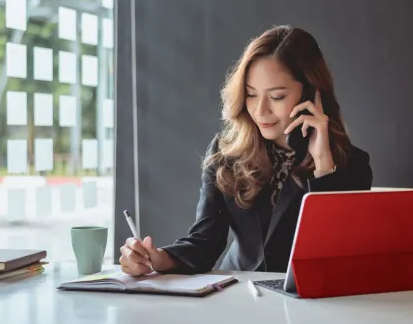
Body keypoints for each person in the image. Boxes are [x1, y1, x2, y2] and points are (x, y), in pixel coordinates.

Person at [119, 25, 373, 276]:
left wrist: (322, 164)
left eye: (277, 97)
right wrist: (157, 258)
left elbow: (337, 256)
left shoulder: (351, 163)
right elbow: (205, 240)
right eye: (251, 95)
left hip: (307, 304)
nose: (260, 111)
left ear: (311, 94)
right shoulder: (226, 152)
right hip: (239, 296)